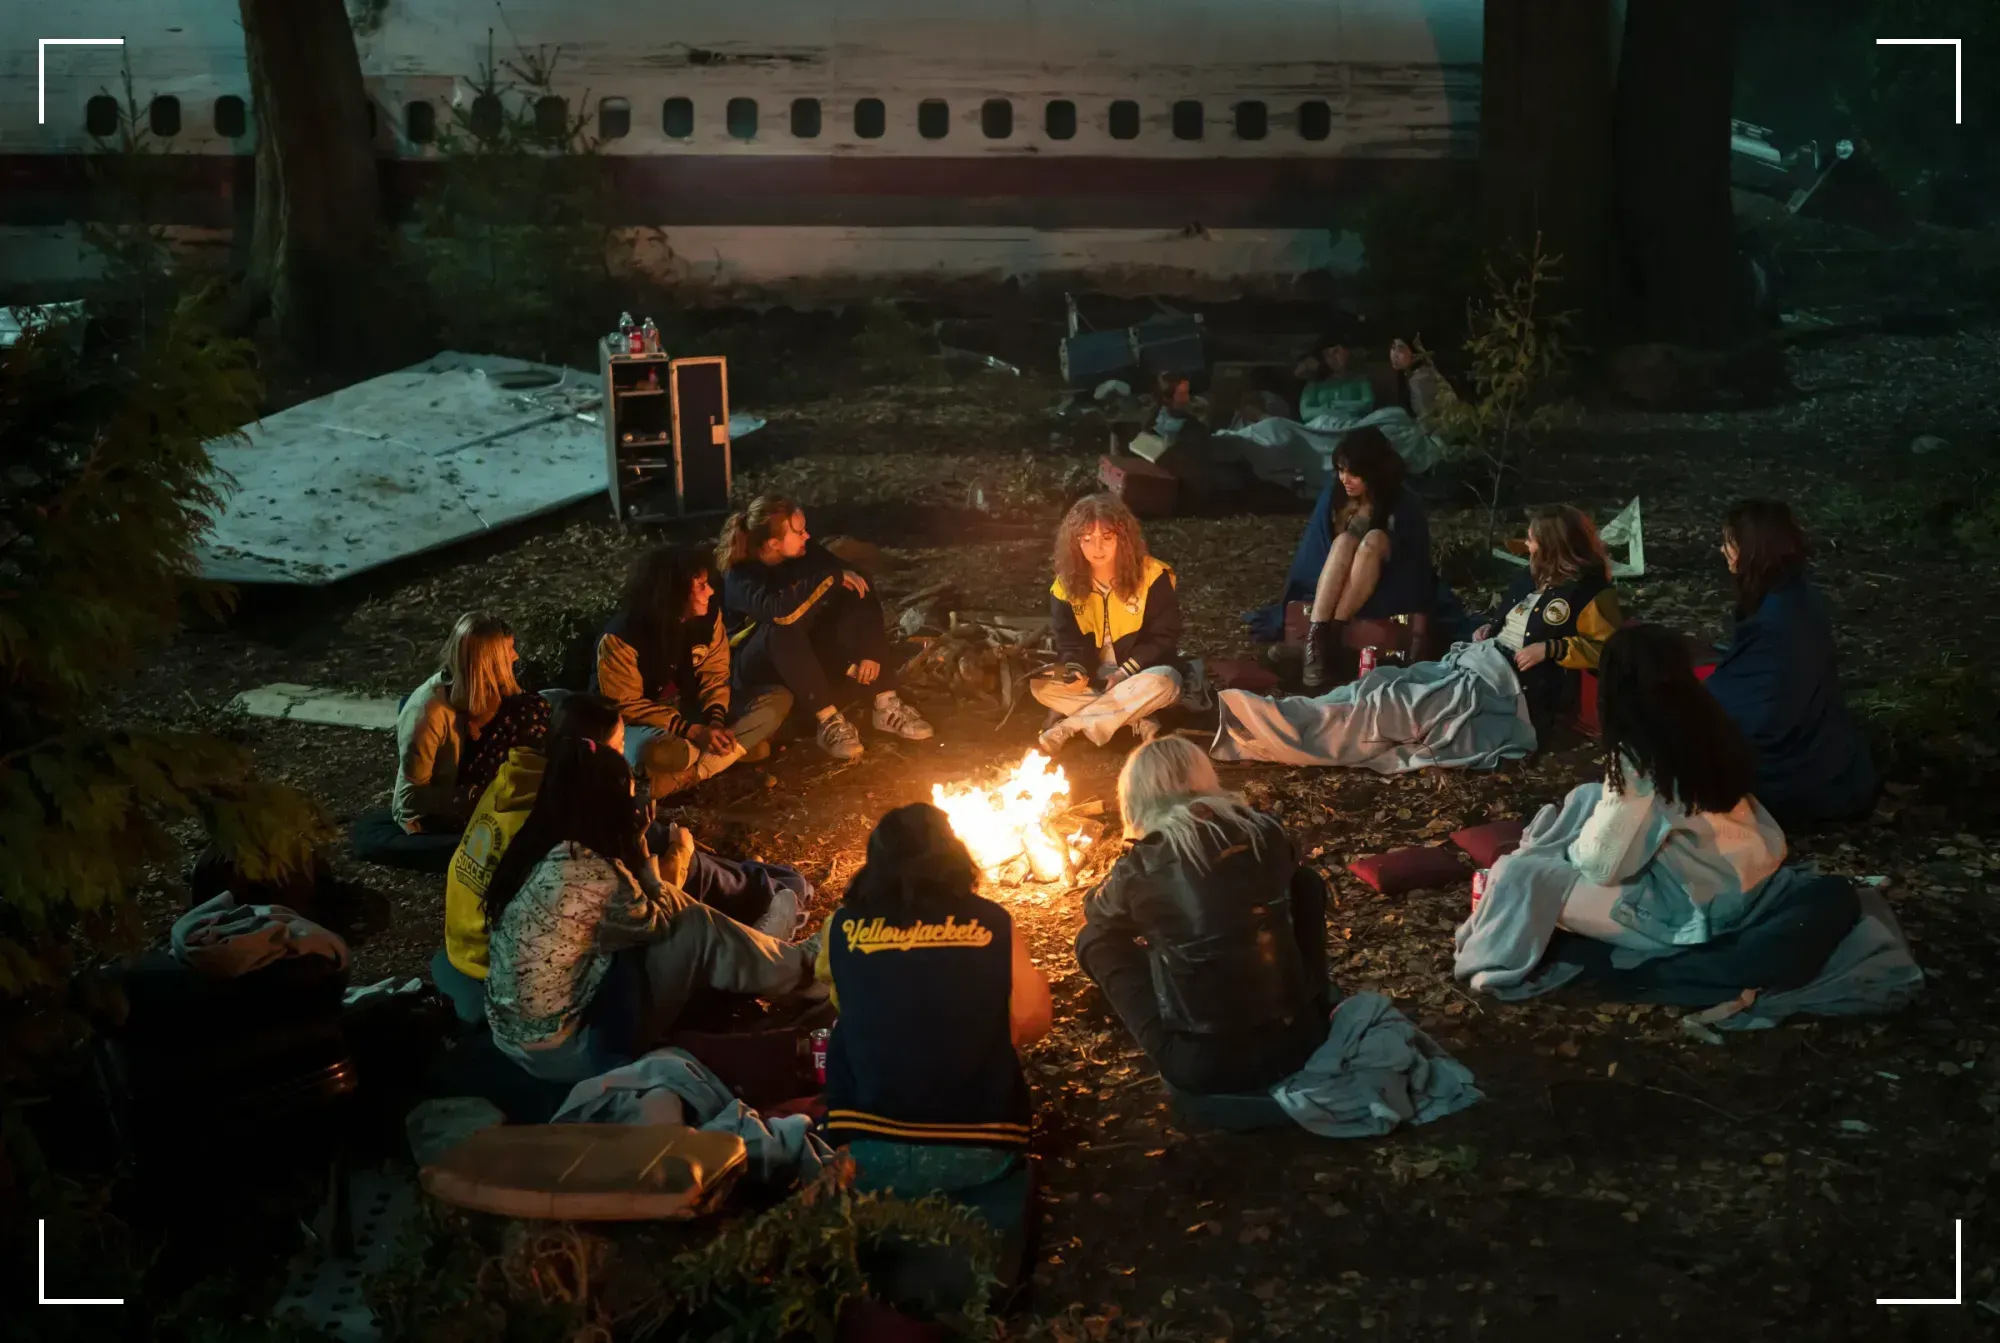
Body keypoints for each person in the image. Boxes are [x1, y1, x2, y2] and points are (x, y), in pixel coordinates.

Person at [435, 692, 809, 1022]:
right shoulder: (570, 841)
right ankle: (776, 942)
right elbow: (652, 916)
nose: (624, 762)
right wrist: (675, 855)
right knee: (689, 921)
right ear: (593, 756)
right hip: (523, 988)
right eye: (618, 748)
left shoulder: (519, 780)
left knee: (664, 847)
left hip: (472, 948)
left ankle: (766, 903)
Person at [481, 735, 819, 1083]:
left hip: (519, 1040)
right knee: (693, 924)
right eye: (631, 797)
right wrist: (644, 852)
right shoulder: (593, 874)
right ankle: (805, 969)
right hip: (574, 1052)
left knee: (677, 909)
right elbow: (660, 921)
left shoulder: (537, 846)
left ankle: (770, 959)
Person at [1075, 738, 1330, 1095]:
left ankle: (1156, 1028)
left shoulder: (1141, 864)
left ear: (1136, 797)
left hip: (1209, 1066)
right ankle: (1319, 1001)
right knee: (1306, 882)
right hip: (1304, 1041)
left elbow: (1096, 910)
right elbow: (1289, 862)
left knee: (1094, 938)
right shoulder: (1264, 830)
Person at [819, 803, 1051, 1193]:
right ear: (954, 855)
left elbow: (848, 1004)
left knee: (839, 1025)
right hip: (983, 1150)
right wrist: (977, 1043)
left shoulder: (840, 927)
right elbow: (1034, 1019)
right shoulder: (993, 921)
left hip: (867, 1152)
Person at [1554, 624, 1787, 951]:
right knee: (1584, 797)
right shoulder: (1707, 717)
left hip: (1714, 905)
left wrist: (1570, 852)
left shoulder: (1641, 756)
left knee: (1534, 884)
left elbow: (1601, 867)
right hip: (1754, 865)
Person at [1703, 500, 1879, 827]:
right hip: (1834, 768)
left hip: (1796, 783)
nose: (1723, 550)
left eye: (1730, 542)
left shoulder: (1780, 616)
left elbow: (1762, 708)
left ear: (1752, 549)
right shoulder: (1794, 594)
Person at [717, 495, 932, 761]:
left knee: (849, 589)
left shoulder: (804, 553)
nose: (807, 536)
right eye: (799, 532)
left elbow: (858, 581)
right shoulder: (742, 576)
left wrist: (870, 651)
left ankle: (885, 702)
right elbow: (781, 613)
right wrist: (829, 579)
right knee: (781, 626)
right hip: (756, 670)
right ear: (774, 543)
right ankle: (828, 720)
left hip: (802, 656)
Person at [594, 544, 793, 796]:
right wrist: (692, 731)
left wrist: (715, 722)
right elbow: (625, 705)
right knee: (658, 753)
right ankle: (731, 751)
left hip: (691, 709)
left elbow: (715, 675)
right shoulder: (622, 637)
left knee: (777, 699)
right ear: (673, 592)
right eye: (701, 585)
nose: (710, 591)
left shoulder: (708, 619)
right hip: (645, 723)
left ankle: (686, 775)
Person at [351, 612, 537, 872]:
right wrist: (473, 795)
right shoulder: (427, 713)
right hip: (433, 816)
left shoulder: (490, 692)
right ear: (487, 661)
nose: (515, 656)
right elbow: (412, 796)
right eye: (508, 650)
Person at [1032, 494, 1185, 755]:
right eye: (1086, 538)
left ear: (1123, 538)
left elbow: (1164, 636)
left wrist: (1124, 673)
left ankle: (1067, 727)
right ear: (1074, 541)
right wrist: (1076, 671)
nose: (1097, 547)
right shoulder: (1065, 587)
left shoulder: (1152, 575)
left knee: (1166, 683)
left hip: (1140, 674)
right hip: (1096, 676)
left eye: (1107, 537)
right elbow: (1069, 643)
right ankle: (1139, 717)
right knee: (1040, 687)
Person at [1298, 427, 1436, 691]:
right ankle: (1317, 639)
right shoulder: (1336, 495)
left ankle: (1334, 632)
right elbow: (1318, 546)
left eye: (1353, 473)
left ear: (1373, 472)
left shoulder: (1401, 501)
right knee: (1344, 540)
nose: (1345, 479)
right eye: (1341, 470)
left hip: (1386, 575)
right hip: (1338, 574)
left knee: (1374, 538)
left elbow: (1412, 559)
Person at [1470, 504, 1623, 722]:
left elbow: (1609, 651)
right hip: (1488, 659)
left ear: (1551, 546)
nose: (1526, 544)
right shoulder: (1530, 575)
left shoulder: (1589, 592)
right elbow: (1515, 619)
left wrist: (1551, 649)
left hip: (1524, 683)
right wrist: (1491, 627)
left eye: (1530, 539)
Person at [1294, 339, 1374, 422]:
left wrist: (1337, 405)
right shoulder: (1315, 384)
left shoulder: (1360, 380)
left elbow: (1368, 404)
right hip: (1321, 425)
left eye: (1336, 352)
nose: (1333, 358)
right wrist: (1329, 411)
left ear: (1346, 352)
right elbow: (1306, 412)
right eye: (1327, 355)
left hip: (1352, 424)